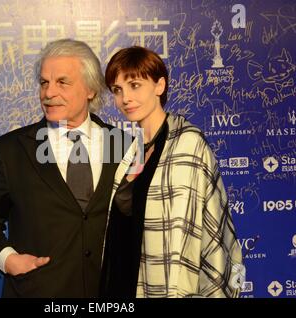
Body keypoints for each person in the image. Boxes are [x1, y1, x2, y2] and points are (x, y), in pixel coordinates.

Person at [0, 39, 128, 297]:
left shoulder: (123, 145)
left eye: (62, 82)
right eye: (44, 82)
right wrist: (8, 259)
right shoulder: (11, 150)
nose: (48, 93)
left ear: (90, 89)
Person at [99, 46, 244, 298]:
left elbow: (210, 227)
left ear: (159, 85)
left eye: (134, 85)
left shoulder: (188, 142)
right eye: (117, 90)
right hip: (123, 285)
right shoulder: (129, 152)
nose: (125, 99)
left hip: (169, 285)